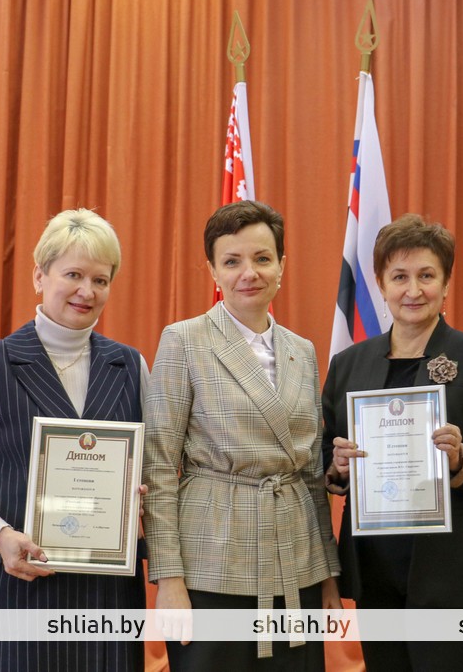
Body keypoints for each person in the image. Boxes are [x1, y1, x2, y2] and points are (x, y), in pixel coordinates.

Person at [0, 208, 148, 670]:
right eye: (73, 274)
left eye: (101, 279)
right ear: (39, 275)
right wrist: (0, 535)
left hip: (105, 594)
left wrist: (141, 495)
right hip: (14, 583)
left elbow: (150, 468)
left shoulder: (132, 366)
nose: (87, 291)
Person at [323, 214, 463, 670]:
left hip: (455, 568)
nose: (413, 290)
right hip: (374, 563)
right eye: (399, 277)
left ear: (446, 282)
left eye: (426, 275)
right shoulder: (348, 365)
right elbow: (323, 452)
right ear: (380, 283)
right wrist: (336, 466)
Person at [144, 200, 341, 669]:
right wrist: (168, 578)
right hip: (210, 560)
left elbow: (312, 471)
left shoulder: (302, 350)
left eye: (261, 258)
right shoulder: (183, 340)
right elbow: (158, 465)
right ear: (213, 270)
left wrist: (329, 573)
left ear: (281, 266)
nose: (248, 272)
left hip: (298, 556)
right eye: (232, 261)